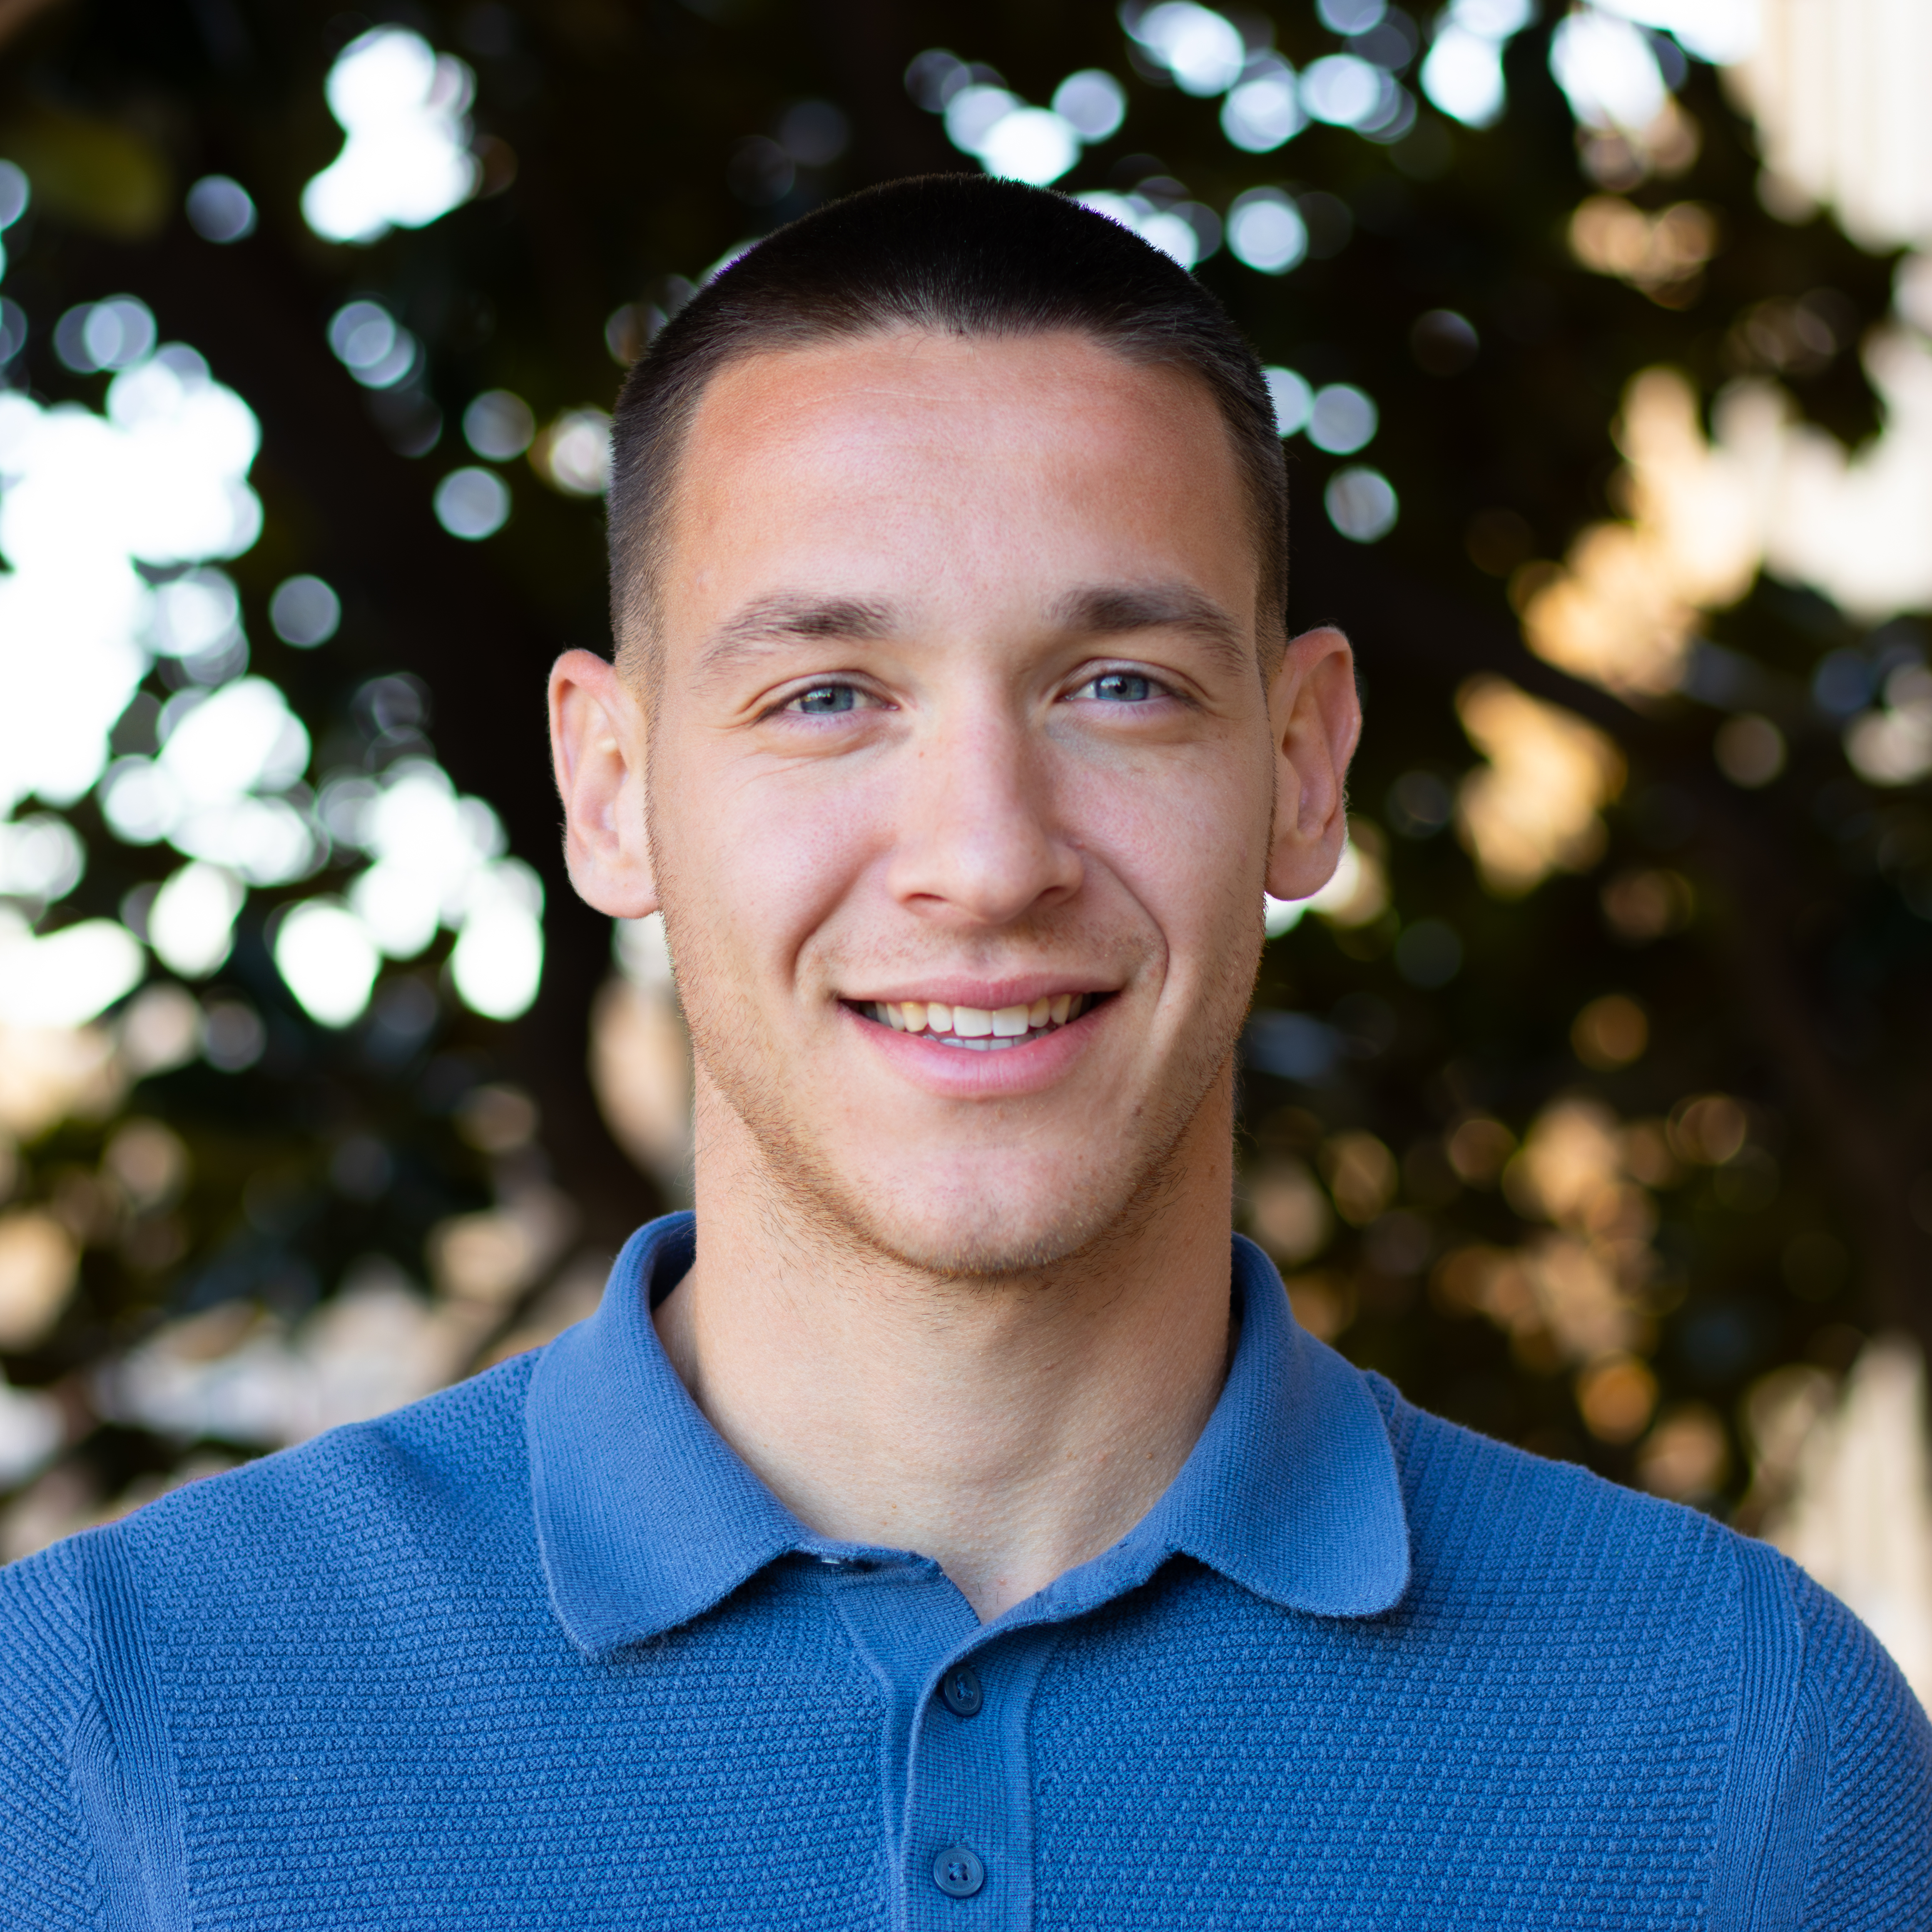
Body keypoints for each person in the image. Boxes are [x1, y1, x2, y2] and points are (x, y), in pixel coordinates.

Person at [3, 174, 1926, 1928]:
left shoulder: (1740, 1747)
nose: (988, 857)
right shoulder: (107, 1729)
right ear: (609, 787)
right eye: (826, 694)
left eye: (1119, 686)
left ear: (1299, 763)